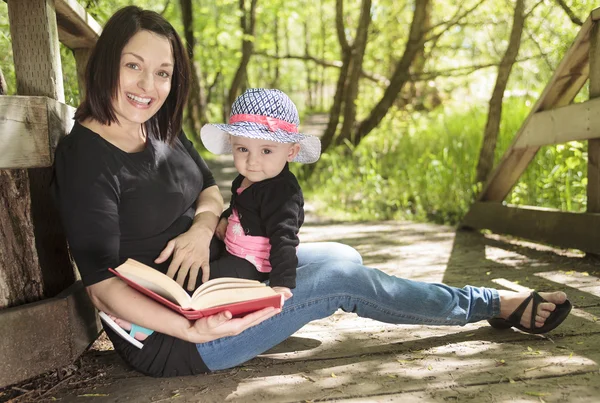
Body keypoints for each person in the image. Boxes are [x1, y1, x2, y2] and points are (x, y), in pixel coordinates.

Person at [52, 6, 572, 377]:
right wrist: (189, 331)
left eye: (162, 72)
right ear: (108, 64)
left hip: (228, 274)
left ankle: (388, 297)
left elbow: (210, 188)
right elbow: (100, 285)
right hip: (178, 333)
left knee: (342, 255)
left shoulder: (159, 127)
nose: (148, 86)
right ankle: (488, 304)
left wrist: (200, 227)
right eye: (133, 66)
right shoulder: (85, 157)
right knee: (343, 278)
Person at [199, 88, 320, 296]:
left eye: (266, 151)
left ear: (291, 152)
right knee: (200, 253)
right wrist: (226, 218)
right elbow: (241, 207)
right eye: (243, 149)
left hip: (254, 264)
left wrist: (281, 283)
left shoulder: (282, 193)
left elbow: (284, 237)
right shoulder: (248, 178)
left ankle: (167, 313)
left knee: (204, 280)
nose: (252, 161)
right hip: (234, 248)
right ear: (232, 145)